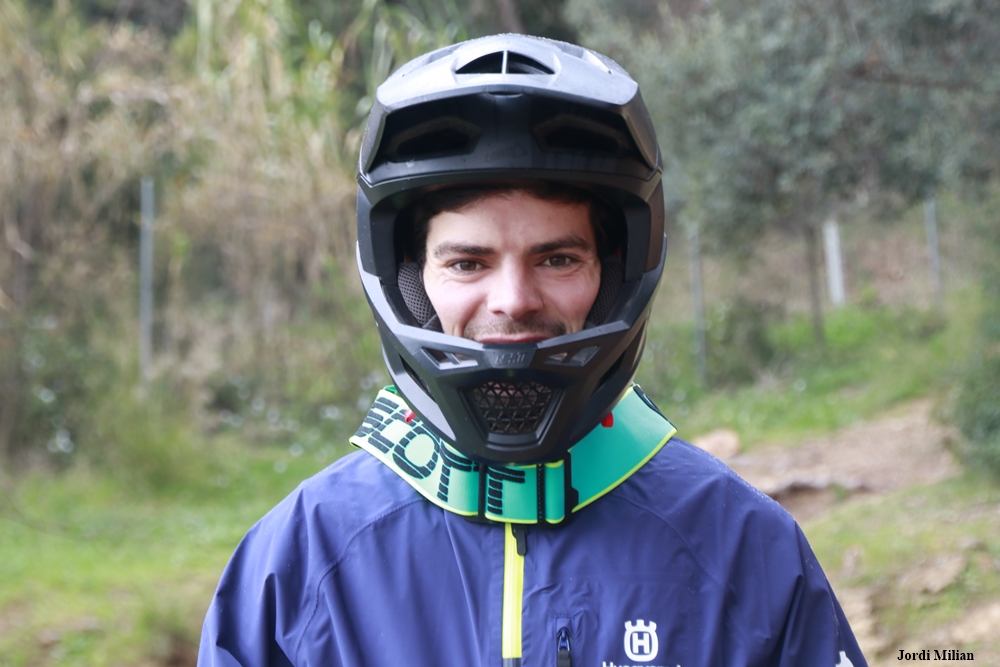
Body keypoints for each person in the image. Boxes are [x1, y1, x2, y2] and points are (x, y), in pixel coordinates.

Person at [198, 34, 867, 667]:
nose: (514, 300)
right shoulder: (299, 564)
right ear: (410, 280)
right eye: (467, 262)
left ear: (614, 274)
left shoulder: (743, 548)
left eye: (557, 258)